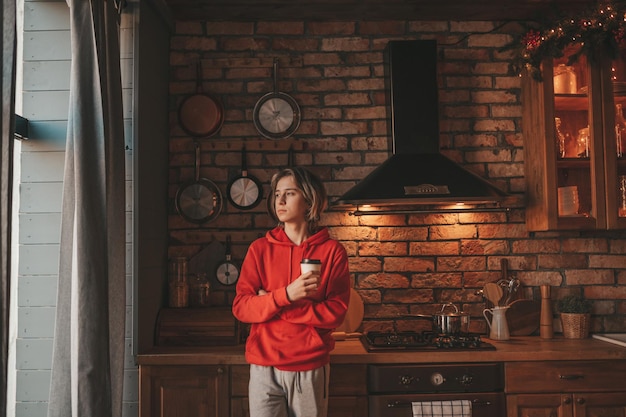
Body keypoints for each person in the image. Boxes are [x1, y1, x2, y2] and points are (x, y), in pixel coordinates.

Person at [232, 166, 351, 417]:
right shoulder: (259, 249)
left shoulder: (332, 252)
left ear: (309, 199)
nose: (281, 200)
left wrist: (276, 305)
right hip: (263, 367)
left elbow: (336, 314)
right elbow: (242, 307)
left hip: (308, 366)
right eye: (277, 194)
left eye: (290, 193)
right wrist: (285, 295)